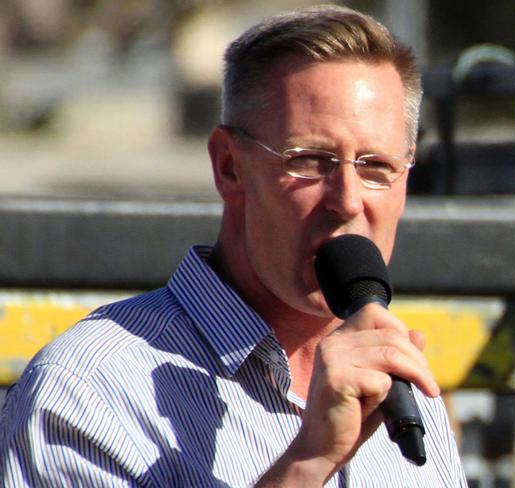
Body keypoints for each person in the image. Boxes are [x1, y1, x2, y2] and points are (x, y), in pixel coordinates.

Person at [0, 5, 467, 487]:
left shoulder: (405, 389)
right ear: (229, 167)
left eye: (375, 167)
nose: (347, 200)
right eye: (309, 160)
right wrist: (308, 462)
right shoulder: (87, 392)